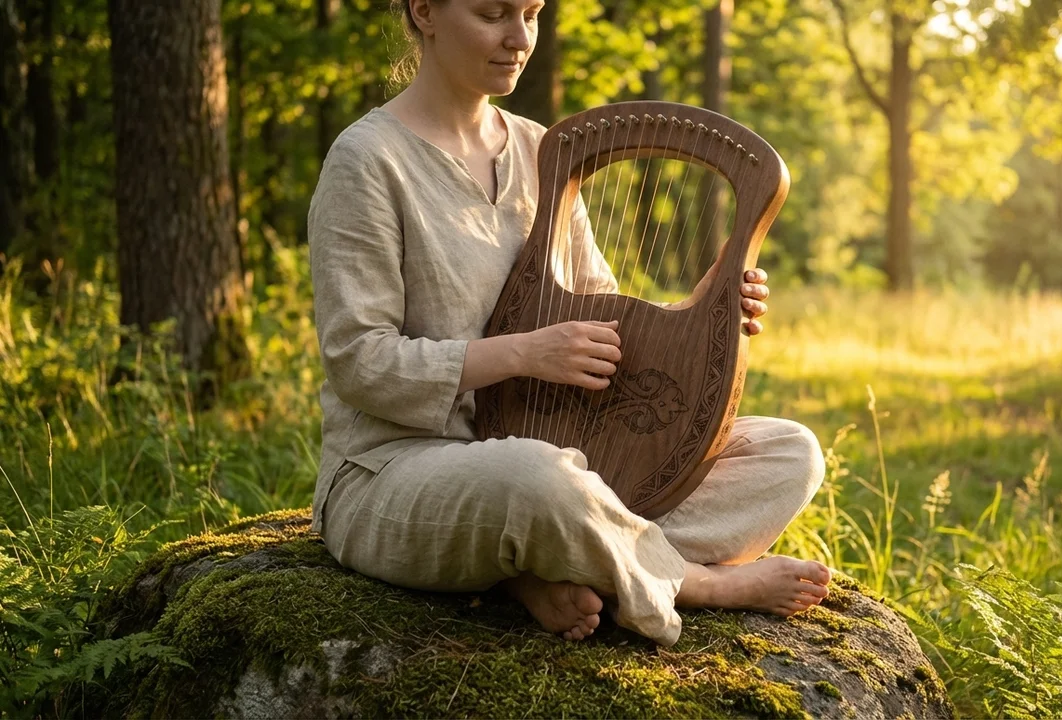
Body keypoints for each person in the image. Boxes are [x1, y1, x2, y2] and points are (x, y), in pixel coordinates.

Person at [308, 0, 832, 647]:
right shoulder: (367, 159)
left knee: (788, 453)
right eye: (493, 14)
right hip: (398, 469)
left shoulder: (542, 151)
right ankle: (693, 581)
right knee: (536, 481)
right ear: (424, 11)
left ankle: (540, 567)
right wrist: (523, 353)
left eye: (531, 13)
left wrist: (700, 314)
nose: (519, 38)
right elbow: (360, 362)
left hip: (562, 452)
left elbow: (597, 328)